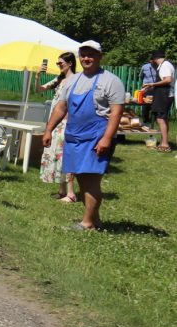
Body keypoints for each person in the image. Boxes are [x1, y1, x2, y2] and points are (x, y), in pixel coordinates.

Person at [42, 40, 126, 231]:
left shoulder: (111, 81)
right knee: (81, 178)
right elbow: (61, 107)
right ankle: (95, 221)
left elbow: (116, 112)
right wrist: (49, 130)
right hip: (74, 136)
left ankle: (87, 223)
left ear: (100, 56)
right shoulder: (73, 80)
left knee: (91, 179)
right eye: (83, 55)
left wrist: (106, 138)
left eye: (91, 55)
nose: (87, 58)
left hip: (97, 137)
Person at [39, 52, 78, 201]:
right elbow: (40, 89)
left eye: (61, 63)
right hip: (55, 121)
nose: (59, 65)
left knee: (65, 154)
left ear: (70, 63)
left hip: (66, 122)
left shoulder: (75, 80)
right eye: (58, 63)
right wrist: (37, 76)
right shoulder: (59, 79)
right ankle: (62, 190)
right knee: (56, 154)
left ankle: (71, 193)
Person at [144, 49, 172, 151]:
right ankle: (164, 141)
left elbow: (168, 79)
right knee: (163, 118)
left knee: (160, 118)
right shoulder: (165, 65)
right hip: (164, 93)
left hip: (164, 94)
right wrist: (152, 87)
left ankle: (165, 144)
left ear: (155, 59)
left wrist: (153, 84)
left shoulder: (165, 65)